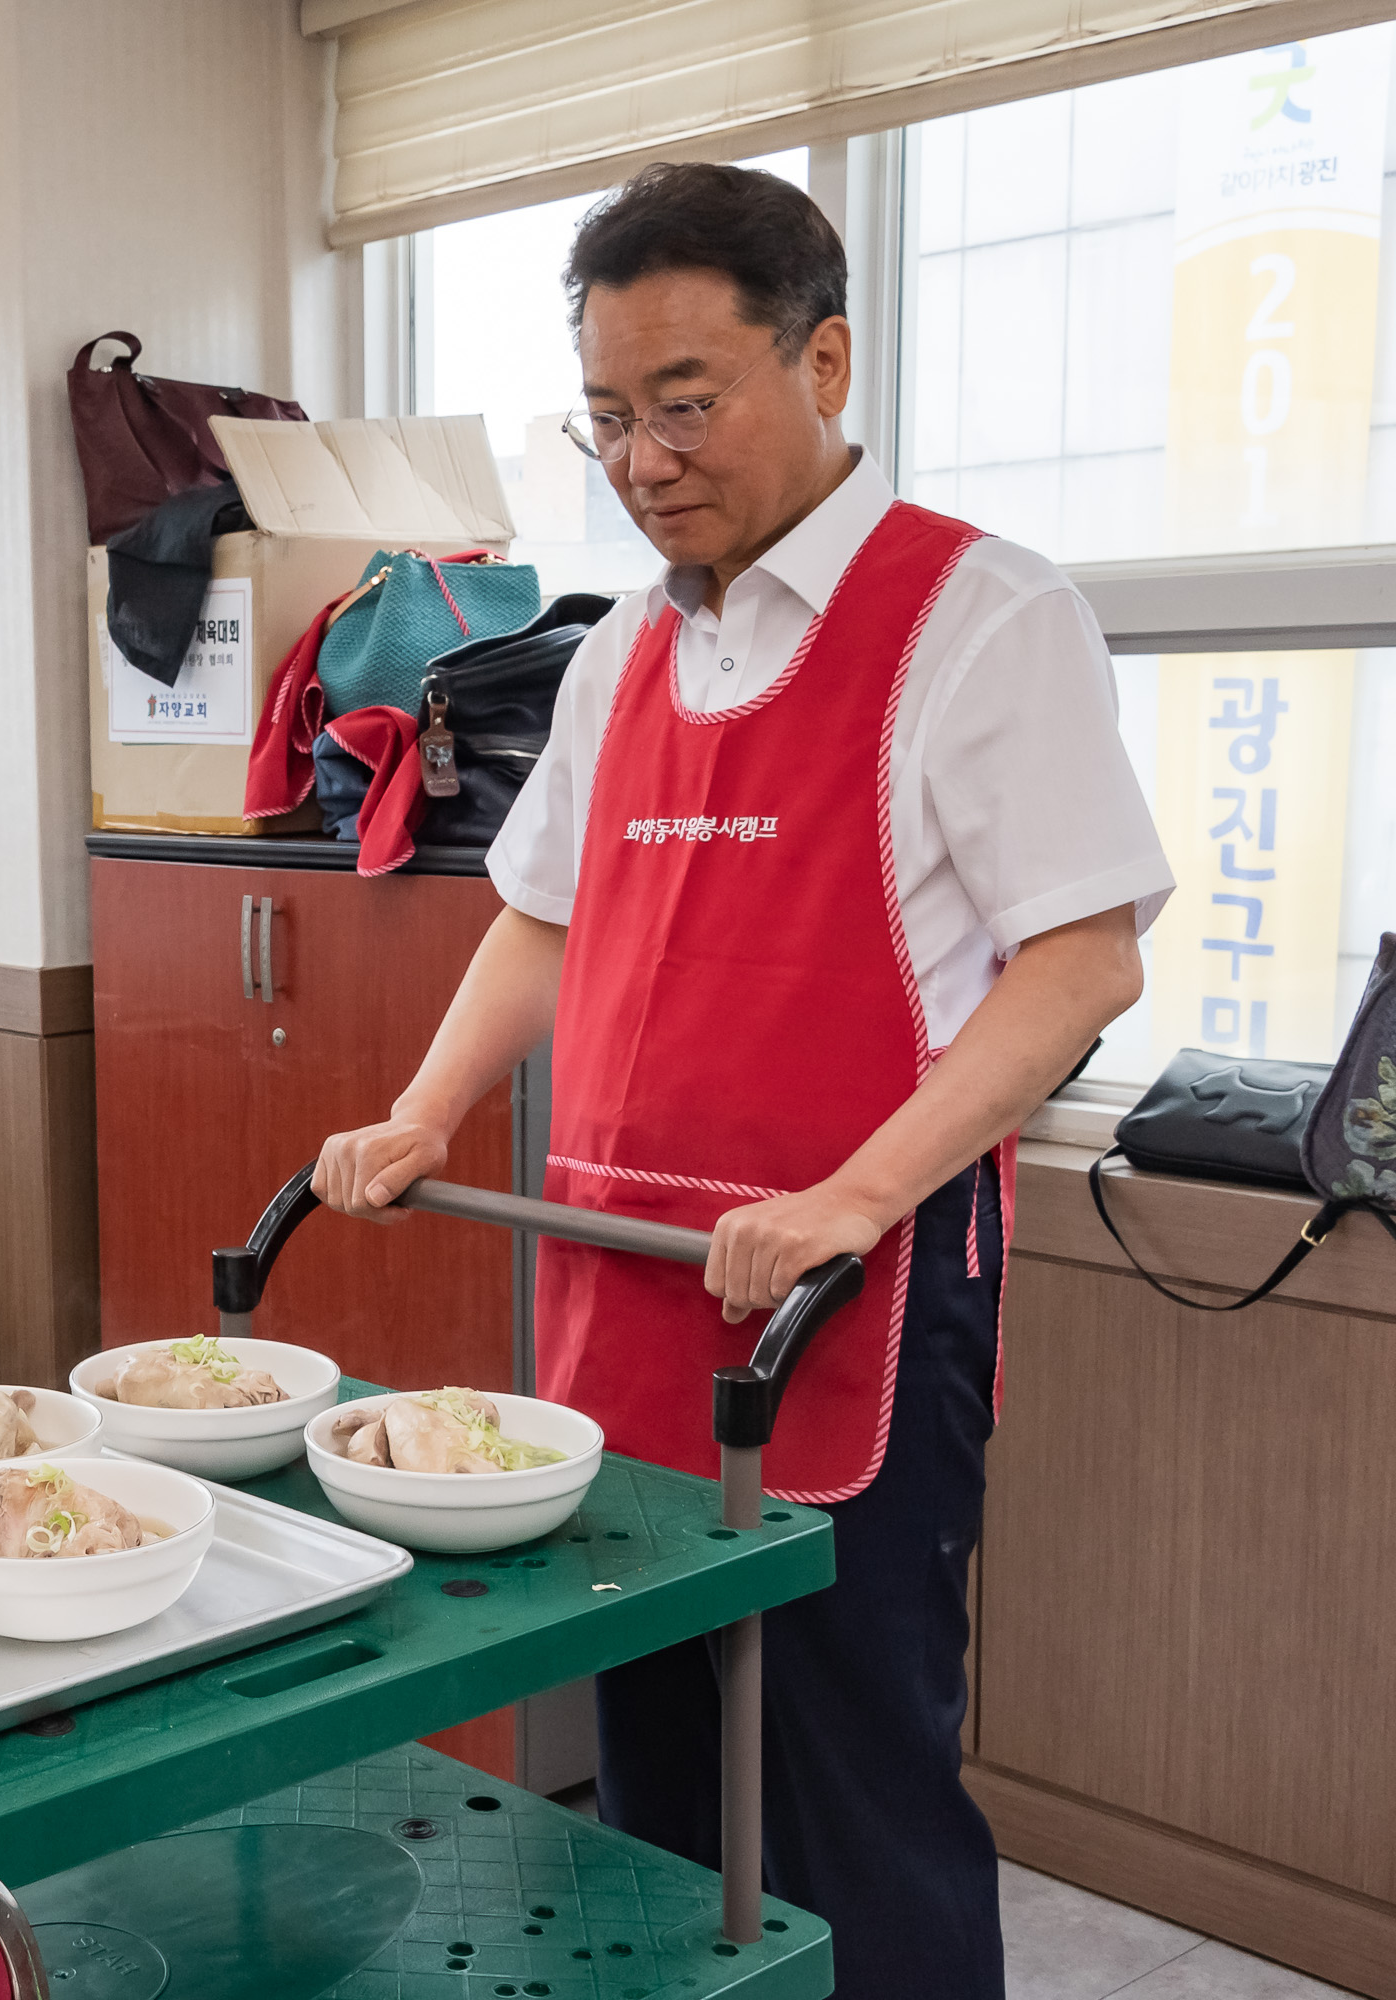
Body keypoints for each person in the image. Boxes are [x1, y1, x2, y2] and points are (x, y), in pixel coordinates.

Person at [313, 164, 1171, 1998]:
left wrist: (858, 1196)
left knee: (853, 1787)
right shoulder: (626, 646)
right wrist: (424, 1108)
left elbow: (1085, 957)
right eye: (609, 415)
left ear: (828, 358)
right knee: (655, 1798)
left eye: (686, 401)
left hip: (844, 1309)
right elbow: (539, 918)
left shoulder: (977, 617)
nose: (643, 457)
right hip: (623, 1290)